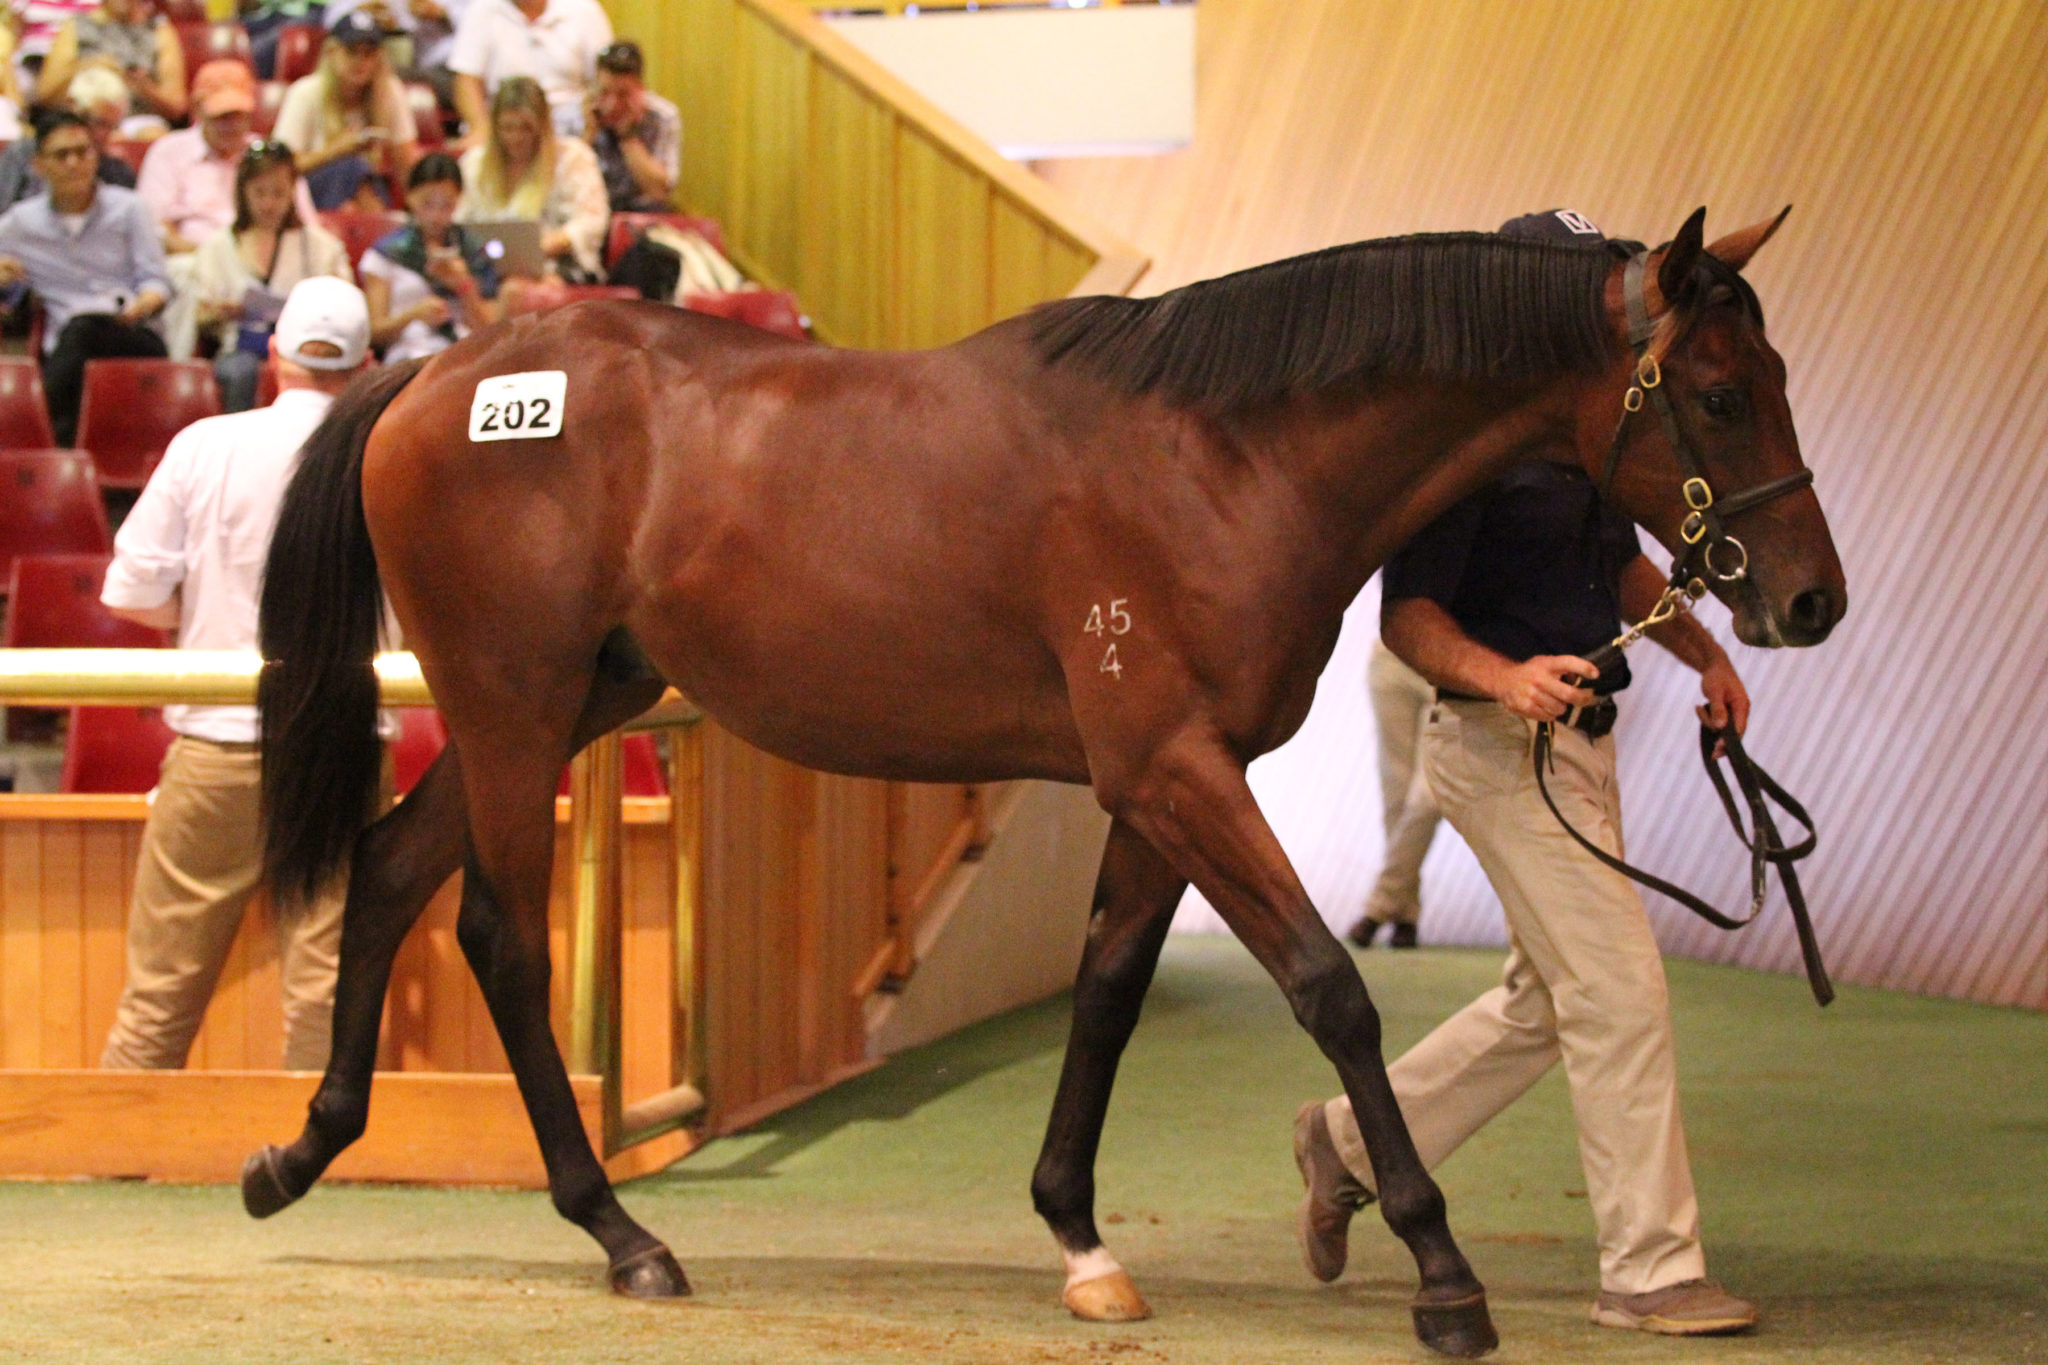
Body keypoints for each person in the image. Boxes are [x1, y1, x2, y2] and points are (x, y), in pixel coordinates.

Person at [1290, 210, 1762, 1340]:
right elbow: (1404, 617)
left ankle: (1343, 1143)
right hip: (1495, 749)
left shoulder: (1581, 434)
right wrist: (1502, 679)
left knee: (1543, 1003)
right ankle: (1649, 1271)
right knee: (1615, 990)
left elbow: (1614, 566)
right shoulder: (1459, 451)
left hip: (1580, 750)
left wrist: (1703, 656)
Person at [97, 276, 387, 1074]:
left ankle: (111, 1163)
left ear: (274, 354)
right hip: (342, 742)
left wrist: (203, 614)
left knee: (158, 994)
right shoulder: (386, 452)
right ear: (366, 363)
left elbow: (132, 594)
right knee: (328, 994)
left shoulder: (204, 445)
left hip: (219, 741)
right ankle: (319, 1173)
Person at [0, 109, 169, 445]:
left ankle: (28, 426)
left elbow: (156, 280)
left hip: (130, 333)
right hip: (66, 344)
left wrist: (145, 303)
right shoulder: (22, 222)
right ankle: (51, 443)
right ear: (39, 165)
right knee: (77, 335)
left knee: (83, 331)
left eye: (83, 152)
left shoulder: (129, 208)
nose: (74, 163)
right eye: (62, 155)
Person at [137, 60, 318, 356]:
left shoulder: (269, 156)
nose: (231, 125)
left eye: (238, 115)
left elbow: (304, 224)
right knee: (179, 274)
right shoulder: (169, 152)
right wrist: (216, 259)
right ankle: (179, 369)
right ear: (197, 111)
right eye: (221, 116)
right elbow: (155, 230)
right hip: (197, 262)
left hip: (268, 263)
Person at [190, 140, 352, 411]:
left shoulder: (321, 246)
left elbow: (344, 308)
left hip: (306, 350)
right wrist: (222, 312)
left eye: (278, 193)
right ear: (243, 194)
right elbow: (199, 315)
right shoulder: (217, 246)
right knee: (237, 372)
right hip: (240, 348)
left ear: (292, 193)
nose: (269, 203)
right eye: (260, 193)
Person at [456, 73, 604, 280]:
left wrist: (544, 245)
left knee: (517, 288)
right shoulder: (474, 164)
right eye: (507, 128)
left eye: (526, 128)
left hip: (557, 264)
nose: (515, 138)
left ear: (542, 126)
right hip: (485, 266)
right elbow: (459, 221)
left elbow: (591, 222)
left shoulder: (573, 158)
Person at [272, 9, 420, 210]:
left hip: (369, 186)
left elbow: (407, 163)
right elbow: (279, 168)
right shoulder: (305, 92)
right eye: (352, 51)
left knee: (360, 179)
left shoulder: (389, 91)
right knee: (350, 167)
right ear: (332, 52)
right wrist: (336, 150)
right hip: (310, 192)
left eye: (369, 54)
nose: (361, 61)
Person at [359, 149, 497, 361]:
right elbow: (374, 335)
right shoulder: (386, 254)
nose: (436, 215)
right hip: (407, 355)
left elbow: (492, 333)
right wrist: (412, 315)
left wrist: (464, 285)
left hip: (461, 353)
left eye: (446, 205)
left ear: (459, 200)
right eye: (427, 203)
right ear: (410, 197)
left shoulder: (472, 250)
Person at [1346, 638, 1440, 948]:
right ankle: (1405, 916)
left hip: (1452, 664)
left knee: (1430, 797)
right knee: (1396, 797)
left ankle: (1378, 906)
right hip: (1393, 656)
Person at [447, 0, 609, 143]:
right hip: (504, 127)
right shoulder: (483, 9)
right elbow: (466, 81)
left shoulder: (584, 10)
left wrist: (588, 132)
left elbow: (604, 79)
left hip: (569, 127)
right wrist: (480, 127)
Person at [0, 74, 134, 213]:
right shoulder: (21, 153)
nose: (103, 135)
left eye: (112, 127)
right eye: (99, 123)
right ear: (71, 106)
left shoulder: (116, 169)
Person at [36, 0, 185, 123]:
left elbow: (177, 107)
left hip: (137, 119)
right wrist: (90, 66)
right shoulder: (76, 25)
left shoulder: (158, 31)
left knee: (151, 133)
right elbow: (46, 96)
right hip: (83, 118)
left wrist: (141, 85)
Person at [583, 38, 676, 215]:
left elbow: (658, 192)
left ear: (641, 89)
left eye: (623, 94)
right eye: (604, 92)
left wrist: (628, 136)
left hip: (640, 216)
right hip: (587, 213)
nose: (611, 105)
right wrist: (588, 134)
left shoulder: (663, 117)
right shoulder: (574, 114)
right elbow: (560, 185)